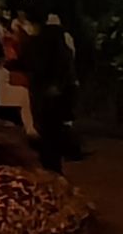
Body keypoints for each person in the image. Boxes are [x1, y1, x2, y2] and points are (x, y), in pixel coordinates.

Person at [23, 11, 85, 171]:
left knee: (49, 127)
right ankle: (55, 160)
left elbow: (36, 64)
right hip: (56, 90)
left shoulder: (41, 41)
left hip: (47, 90)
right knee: (55, 126)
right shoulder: (59, 41)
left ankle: (52, 161)